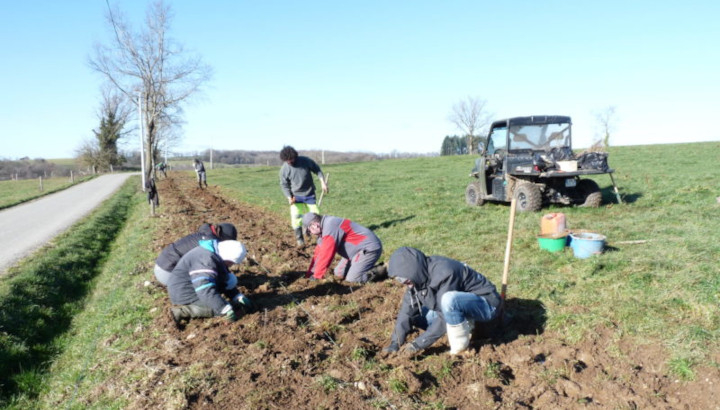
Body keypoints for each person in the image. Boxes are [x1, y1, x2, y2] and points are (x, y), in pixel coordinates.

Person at [383, 247, 501, 355]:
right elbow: (407, 312)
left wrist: (418, 344)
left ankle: (460, 349)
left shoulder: (445, 273)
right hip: (458, 308)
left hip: (486, 305)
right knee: (418, 317)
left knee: (449, 300)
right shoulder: (417, 279)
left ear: (412, 270)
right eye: (400, 280)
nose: (403, 283)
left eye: (404, 279)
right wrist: (396, 343)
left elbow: (444, 315)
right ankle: (465, 325)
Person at [167, 239, 254, 325]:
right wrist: (223, 308)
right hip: (183, 292)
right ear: (227, 257)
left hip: (194, 285)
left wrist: (236, 296)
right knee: (215, 309)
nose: (231, 265)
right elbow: (204, 289)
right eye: (231, 263)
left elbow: (223, 278)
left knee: (230, 280)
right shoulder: (206, 260)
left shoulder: (215, 253)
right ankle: (182, 312)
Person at [302, 212, 386, 283]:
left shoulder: (330, 226)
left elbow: (326, 254)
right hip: (353, 252)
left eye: (309, 231)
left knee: (353, 279)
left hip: (368, 249)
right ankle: (361, 266)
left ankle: (382, 269)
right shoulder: (322, 231)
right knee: (338, 273)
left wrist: (317, 276)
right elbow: (318, 254)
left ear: (315, 225)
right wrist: (310, 274)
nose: (310, 234)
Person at [154, 223, 237, 286]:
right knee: (207, 283)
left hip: (162, 265)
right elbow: (216, 266)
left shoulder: (205, 234)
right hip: (167, 272)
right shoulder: (209, 243)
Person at [279, 146, 328, 247]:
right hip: (295, 197)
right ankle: (300, 240)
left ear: (295, 156)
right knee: (296, 217)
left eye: (291, 159)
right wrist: (289, 197)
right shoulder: (285, 169)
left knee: (316, 216)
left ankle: (319, 238)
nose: (289, 162)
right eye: (287, 160)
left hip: (309, 193)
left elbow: (317, 170)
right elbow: (284, 185)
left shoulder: (305, 161)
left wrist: (323, 182)